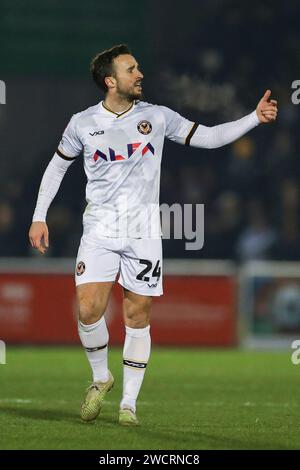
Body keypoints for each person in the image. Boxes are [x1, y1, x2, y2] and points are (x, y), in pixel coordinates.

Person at [28, 44, 278, 426]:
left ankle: (129, 403)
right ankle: (101, 378)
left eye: (139, 67)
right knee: (88, 308)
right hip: (100, 227)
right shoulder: (82, 123)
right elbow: (56, 168)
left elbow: (208, 137)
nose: (140, 74)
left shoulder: (157, 117)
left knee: (137, 312)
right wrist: (39, 215)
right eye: (132, 69)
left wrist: (253, 120)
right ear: (111, 81)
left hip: (143, 231)